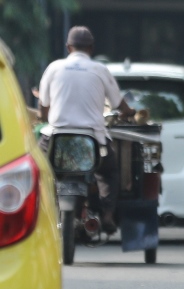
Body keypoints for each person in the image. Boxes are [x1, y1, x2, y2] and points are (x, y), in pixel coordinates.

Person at [37, 26, 134, 232]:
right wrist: (129, 112)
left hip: (56, 140)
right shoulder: (100, 69)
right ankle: (107, 215)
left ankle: (38, 212)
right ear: (91, 47)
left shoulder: (54, 68)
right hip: (94, 141)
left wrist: (45, 117)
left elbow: (43, 107)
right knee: (109, 172)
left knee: (37, 169)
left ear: (68, 47)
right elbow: (118, 104)